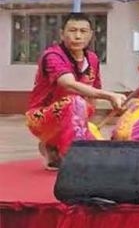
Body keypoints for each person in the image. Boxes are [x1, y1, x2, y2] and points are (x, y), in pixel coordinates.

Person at [26, 14, 123, 168]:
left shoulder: (92, 59)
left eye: (83, 31)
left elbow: (93, 93)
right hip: (41, 117)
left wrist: (88, 123)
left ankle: (54, 147)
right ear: (62, 34)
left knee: (101, 149)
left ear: (90, 35)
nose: (78, 36)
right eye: (72, 30)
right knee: (75, 102)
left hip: (76, 117)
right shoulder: (53, 56)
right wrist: (110, 95)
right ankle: (71, 155)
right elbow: (69, 84)